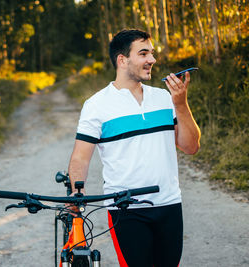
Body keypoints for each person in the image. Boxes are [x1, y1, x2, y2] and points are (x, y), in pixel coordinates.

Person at [67, 29, 201, 267]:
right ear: (122, 60)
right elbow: (80, 157)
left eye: (152, 53)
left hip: (169, 204)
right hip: (125, 209)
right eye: (143, 53)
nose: (152, 59)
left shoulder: (164, 98)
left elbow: (191, 147)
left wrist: (181, 104)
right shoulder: (96, 105)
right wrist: (77, 190)